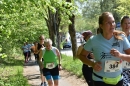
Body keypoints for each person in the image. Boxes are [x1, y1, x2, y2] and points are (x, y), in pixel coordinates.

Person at [78, 12, 130, 86]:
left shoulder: (121, 38)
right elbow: (81, 56)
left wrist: (121, 55)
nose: (112, 25)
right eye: (108, 23)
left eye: (113, 22)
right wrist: (92, 64)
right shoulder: (93, 40)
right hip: (100, 80)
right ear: (101, 26)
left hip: (118, 80)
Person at [120, 16, 130, 86]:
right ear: (121, 25)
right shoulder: (117, 37)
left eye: (129, 23)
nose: (127, 25)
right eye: (125, 23)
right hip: (121, 67)